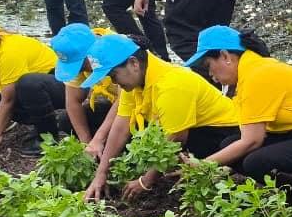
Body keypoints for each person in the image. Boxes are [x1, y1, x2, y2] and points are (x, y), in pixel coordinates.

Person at [185, 24, 292, 186]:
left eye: (209, 66)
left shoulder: (257, 75)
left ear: (225, 56)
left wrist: (203, 165)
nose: (210, 74)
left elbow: (252, 141)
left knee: (256, 162)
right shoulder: (251, 71)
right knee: (230, 144)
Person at [82, 33, 238, 201]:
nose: (114, 82)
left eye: (113, 76)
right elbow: (121, 126)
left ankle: (224, 168)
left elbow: (176, 138)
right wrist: (101, 173)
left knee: (173, 146)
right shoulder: (134, 81)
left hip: (226, 134)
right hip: (195, 132)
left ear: (134, 63)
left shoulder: (171, 84)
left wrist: (145, 180)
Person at [0, 20, 62, 158]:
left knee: (27, 85)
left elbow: (8, 100)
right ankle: (5, 121)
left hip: (56, 82)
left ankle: (48, 136)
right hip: (24, 86)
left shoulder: (7, 52)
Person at [49, 23, 118, 155]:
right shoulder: (74, 51)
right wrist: (86, 142)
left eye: (81, 65)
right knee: (65, 120)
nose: (80, 70)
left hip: (140, 107)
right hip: (116, 104)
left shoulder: (115, 49)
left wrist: (99, 138)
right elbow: (73, 102)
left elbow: (124, 100)